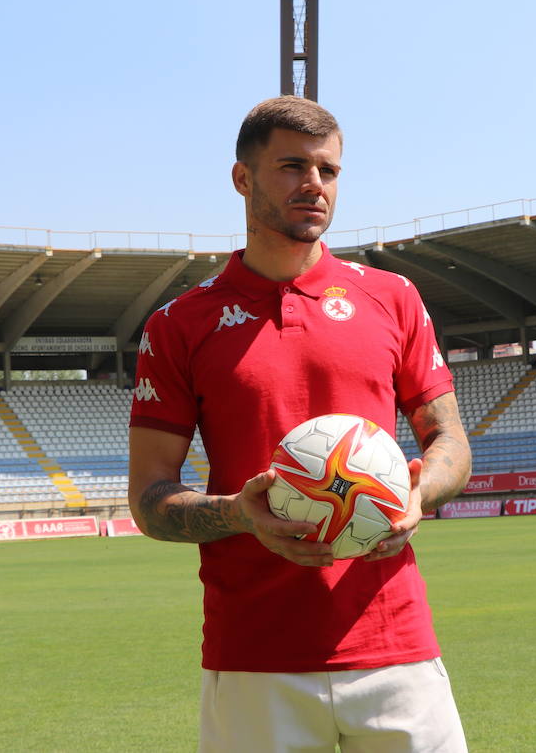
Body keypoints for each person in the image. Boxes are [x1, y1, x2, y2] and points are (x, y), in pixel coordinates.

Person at [128, 95, 472, 752]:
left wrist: (417, 494)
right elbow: (149, 500)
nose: (315, 185)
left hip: (394, 644)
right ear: (242, 179)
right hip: (254, 656)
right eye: (292, 166)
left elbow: (448, 440)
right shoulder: (179, 325)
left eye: (329, 171)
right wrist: (239, 513)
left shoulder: (391, 297)